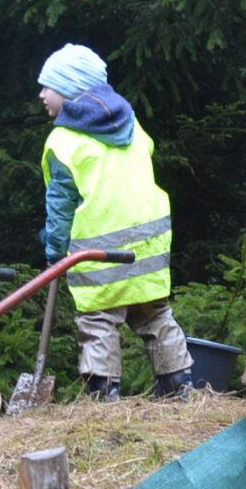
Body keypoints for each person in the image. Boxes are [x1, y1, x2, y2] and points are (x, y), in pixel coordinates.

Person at [34, 44, 194, 400]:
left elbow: (60, 210)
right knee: (155, 315)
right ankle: (179, 387)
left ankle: (103, 396)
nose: (42, 94)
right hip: (149, 246)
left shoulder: (64, 141)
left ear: (71, 89)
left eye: (50, 86)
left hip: (98, 251)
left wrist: (54, 253)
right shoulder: (132, 123)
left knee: (99, 322)